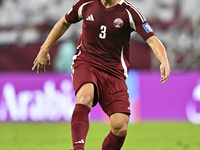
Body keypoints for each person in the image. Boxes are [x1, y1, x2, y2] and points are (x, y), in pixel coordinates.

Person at [32, 0, 171, 149]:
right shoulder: (86, 4)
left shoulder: (129, 12)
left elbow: (152, 39)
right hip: (86, 62)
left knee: (120, 126)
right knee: (85, 98)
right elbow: (64, 22)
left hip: (114, 73)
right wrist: (44, 49)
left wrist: (164, 60)